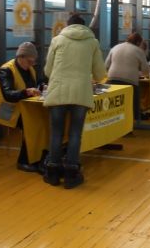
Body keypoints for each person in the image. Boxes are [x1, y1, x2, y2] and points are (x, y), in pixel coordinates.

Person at [43, 14, 106, 188]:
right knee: (75, 133)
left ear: (67, 25)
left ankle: (53, 172)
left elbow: (48, 70)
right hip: (81, 93)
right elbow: (100, 73)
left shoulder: (57, 40)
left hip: (58, 92)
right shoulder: (92, 42)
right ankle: (71, 174)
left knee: (56, 132)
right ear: (84, 26)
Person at [0, 42, 42, 173]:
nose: (31, 64)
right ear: (21, 57)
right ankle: (23, 161)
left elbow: (36, 84)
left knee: (44, 120)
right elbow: (8, 95)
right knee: (32, 124)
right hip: (7, 110)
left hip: (24, 108)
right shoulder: (5, 70)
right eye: (29, 61)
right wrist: (26, 92)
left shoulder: (30, 69)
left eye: (33, 62)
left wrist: (42, 87)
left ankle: (37, 156)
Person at [105, 32, 150, 122]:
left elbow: (106, 65)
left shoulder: (115, 47)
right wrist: (142, 73)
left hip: (111, 79)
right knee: (134, 102)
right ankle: (136, 120)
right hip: (130, 81)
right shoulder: (138, 51)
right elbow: (145, 70)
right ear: (138, 42)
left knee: (115, 102)